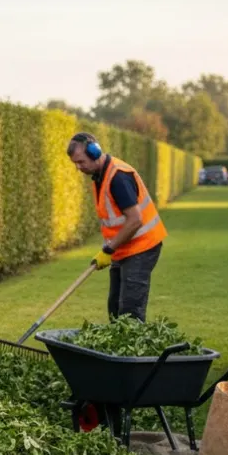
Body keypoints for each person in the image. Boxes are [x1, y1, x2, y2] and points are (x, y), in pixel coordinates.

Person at [65, 132, 167, 322]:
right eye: (75, 164)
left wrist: (108, 249)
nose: (79, 168)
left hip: (142, 247)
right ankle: (115, 350)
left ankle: (133, 350)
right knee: (114, 306)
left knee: (129, 310)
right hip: (123, 248)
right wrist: (111, 249)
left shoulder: (118, 177)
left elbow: (135, 220)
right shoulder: (99, 176)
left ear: (94, 152)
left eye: (81, 162)